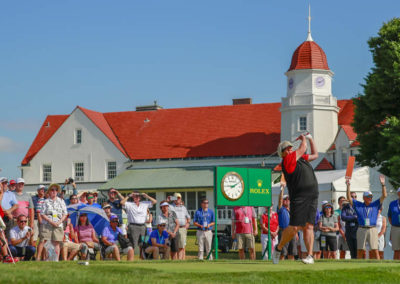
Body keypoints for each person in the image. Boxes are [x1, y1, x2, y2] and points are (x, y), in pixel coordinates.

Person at [272, 133, 319, 265]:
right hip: (299, 197)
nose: (290, 149)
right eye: (287, 148)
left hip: (312, 194)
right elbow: (303, 148)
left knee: (309, 226)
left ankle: (310, 255)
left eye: (291, 147)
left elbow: (315, 155)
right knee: (295, 227)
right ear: (282, 153)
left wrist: (310, 138)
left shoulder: (301, 158)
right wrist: (303, 139)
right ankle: (278, 248)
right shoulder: (287, 160)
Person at [346, 175, 387, 259]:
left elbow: (384, 196)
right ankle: (358, 268)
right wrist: (348, 186)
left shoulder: (375, 204)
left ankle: (378, 267)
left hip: (372, 228)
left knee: (375, 249)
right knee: (360, 250)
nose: (370, 198)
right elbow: (348, 197)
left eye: (371, 197)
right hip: (361, 228)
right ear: (364, 198)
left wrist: (383, 185)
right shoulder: (358, 205)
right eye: (368, 197)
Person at [120, 191, 156, 259]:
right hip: (133, 226)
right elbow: (122, 202)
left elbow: (154, 201)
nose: (136, 198)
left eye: (138, 196)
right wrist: (129, 196)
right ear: (133, 197)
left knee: (143, 244)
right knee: (132, 244)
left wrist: (147, 196)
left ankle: (142, 258)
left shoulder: (144, 204)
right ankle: (131, 259)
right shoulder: (129, 204)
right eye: (135, 196)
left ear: (140, 198)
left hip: (142, 226)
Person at [40, 183, 68, 261]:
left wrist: (59, 222)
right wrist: (50, 221)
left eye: (56, 190)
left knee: (56, 243)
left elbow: (65, 213)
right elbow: (42, 213)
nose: (54, 191)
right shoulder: (46, 201)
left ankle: (55, 260)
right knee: (46, 242)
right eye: (52, 190)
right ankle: (47, 259)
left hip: (58, 224)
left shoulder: (61, 201)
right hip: (47, 224)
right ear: (49, 191)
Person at [168, 193, 191, 260]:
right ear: (173, 199)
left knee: (182, 246)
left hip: (182, 228)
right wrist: (167, 200)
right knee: (174, 246)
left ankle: (181, 260)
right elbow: (164, 207)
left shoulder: (184, 208)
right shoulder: (170, 206)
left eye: (179, 198)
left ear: (180, 199)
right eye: (176, 198)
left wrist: (188, 223)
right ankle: (174, 261)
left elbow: (188, 217)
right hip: (174, 228)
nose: (178, 199)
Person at [277, 186, 297, 261]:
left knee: (292, 252)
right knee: (283, 252)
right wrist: (282, 189)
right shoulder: (281, 209)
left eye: (288, 199)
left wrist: (296, 233)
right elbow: (279, 200)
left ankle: (291, 268)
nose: (287, 200)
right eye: (285, 199)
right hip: (284, 231)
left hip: (292, 232)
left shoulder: (291, 210)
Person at [388, 187, 400, 260]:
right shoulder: (392, 204)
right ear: (398, 193)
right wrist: (393, 224)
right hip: (395, 228)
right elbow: (389, 216)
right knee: (396, 249)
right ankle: (395, 265)